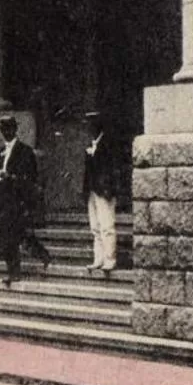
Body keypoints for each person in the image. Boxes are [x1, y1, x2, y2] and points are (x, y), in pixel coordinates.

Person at [0, 116, 45, 285]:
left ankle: (19, 269)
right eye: (3, 129)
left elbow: (31, 177)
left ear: (14, 130)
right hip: (3, 201)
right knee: (9, 236)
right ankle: (14, 270)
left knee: (15, 235)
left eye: (8, 129)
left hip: (18, 200)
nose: (6, 132)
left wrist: (11, 177)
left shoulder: (25, 151)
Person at [81, 112, 123, 276]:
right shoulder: (92, 143)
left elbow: (113, 169)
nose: (89, 127)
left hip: (104, 190)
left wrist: (109, 189)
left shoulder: (109, 144)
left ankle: (110, 259)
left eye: (92, 123)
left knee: (107, 225)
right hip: (93, 190)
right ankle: (98, 258)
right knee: (95, 226)